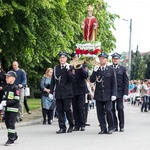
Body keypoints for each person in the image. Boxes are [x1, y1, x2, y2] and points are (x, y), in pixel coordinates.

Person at [90, 52, 117, 134]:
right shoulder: (97, 69)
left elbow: (114, 83)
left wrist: (114, 94)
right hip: (98, 94)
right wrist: (94, 72)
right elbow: (91, 80)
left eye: (103, 58)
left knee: (109, 110)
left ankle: (111, 127)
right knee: (100, 112)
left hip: (108, 94)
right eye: (100, 58)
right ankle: (103, 128)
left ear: (106, 60)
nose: (101, 60)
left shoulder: (111, 69)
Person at [50, 52, 75, 134]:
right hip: (58, 92)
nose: (62, 59)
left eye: (63, 57)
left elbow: (72, 79)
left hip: (67, 92)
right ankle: (62, 127)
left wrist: (68, 71)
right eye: (61, 57)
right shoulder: (56, 68)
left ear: (66, 59)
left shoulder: (70, 67)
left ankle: (71, 125)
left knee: (67, 109)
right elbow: (53, 80)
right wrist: (51, 92)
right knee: (59, 110)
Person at [0, 71, 20, 146]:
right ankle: (14, 135)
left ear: (13, 78)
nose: (6, 78)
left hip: (13, 109)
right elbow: (5, 97)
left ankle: (11, 139)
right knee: (7, 123)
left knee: (11, 123)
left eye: (8, 77)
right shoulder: (6, 87)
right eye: (6, 77)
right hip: (7, 109)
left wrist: (7, 103)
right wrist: (2, 103)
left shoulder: (15, 88)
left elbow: (16, 99)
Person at [111, 52, 129, 132]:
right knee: (111, 109)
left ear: (119, 60)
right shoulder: (109, 68)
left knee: (120, 108)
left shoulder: (123, 69)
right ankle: (114, 125)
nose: (115, 60)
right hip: (111, 92)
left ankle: (122, 125)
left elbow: (126, 81)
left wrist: (125, 93)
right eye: (114, 58)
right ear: (112, 59)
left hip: (120, 91)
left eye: (116, 59)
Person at [71, 52, 89, 131]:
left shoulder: (84, 65)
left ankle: (82, 124)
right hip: (73, 89)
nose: (75, 59)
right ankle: (77, 124)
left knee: (80, 107)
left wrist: (80, 67)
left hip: (81, 89)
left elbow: (86, 75)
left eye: (76, 57)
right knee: (74, 107)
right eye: (74, 57)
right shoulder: (71, 66)